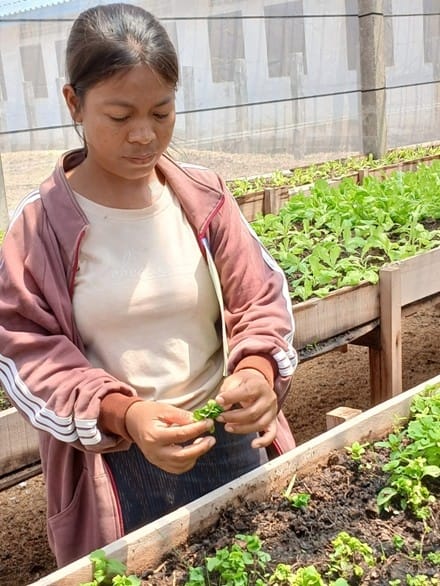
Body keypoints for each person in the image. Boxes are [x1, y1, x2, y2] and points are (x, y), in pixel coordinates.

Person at [0, 2, 297, 568]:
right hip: (116, 469)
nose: (144, 135)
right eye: (119, 116)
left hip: (229, 441)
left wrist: (257, 371)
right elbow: (26, 353)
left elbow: (260, 297)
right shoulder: (40, 227)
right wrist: (126, 414)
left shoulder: (203, 198)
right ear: (74, 103)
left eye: (162, 113)